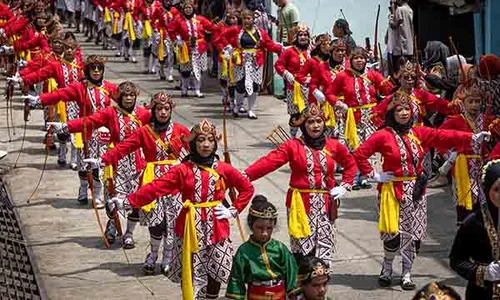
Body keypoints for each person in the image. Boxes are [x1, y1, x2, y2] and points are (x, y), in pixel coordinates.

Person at [353, 91, 491, 290]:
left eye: (406, 109)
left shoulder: (419, 133)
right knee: (392, 235)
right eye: (398, 109)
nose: (403, 113)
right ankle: (387, 267)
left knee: (414, 235)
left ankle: (407, 272)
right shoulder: (382, 135)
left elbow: (442, 135)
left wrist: (472, 137)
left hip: (417, 191)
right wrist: (374, 175)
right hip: (393, 190)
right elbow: (359, 154)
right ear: (391, 113)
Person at [115, 118, 255, 299]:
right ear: (193, 143)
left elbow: (247, 188)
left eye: (210, 140)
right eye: (201, 140)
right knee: (190, 267)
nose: (205, 145)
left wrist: (234, 210)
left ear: (215, 143)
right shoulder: (182, 169)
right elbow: (155, 187)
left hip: (217, 225)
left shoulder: (224, 168)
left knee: (217, 267)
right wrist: (128, 201)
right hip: (189, 225)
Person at [244, 104, 357, 267]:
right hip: (301, 205)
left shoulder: (333, 145)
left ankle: (320, 287)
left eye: (319, 121)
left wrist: (346, 185)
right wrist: (246, 175)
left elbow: (350, 163)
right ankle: (301, 288)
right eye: (311, 122)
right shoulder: (293, 146)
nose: (316, 125)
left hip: (326, 204)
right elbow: (270, 161)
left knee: (324, 248)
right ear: (304, 125)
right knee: (302, 250)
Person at [48, 81, 151, 249]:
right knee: (111, 198)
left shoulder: (144, 114)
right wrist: (66, 126)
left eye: (132, 95)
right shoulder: (111, 112)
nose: (129, 98)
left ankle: (129, 233)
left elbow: (161, 127)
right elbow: (89, 121)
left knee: (136, 199)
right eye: (125, 95)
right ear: (119, 97)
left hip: (137, 164)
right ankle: (112, 226)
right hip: (115, 162)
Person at [24, 55, 117, 207]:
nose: (96, 71)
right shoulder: (80, 88)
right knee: (83, 164)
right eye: (93, 68)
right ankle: (83, 188)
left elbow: (125, 99)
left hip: (103, 134)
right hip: (85, 130)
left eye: (99, 68)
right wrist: (40, 99)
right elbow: (60, 94)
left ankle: (98, 194)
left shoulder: (108, 88)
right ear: (87, 70)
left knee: (99, 165)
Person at [325, 47, 394, 189]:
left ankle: (366, 176)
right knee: (353, 147)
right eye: (356, 58)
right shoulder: (343, 76)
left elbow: (389, 91)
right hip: (351, 117)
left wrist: (381, 107)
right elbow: (330, 93)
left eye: (362, 58)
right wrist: (339, 104)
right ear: (350, 60)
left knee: (369, 147)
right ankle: (354, 177)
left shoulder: (373, 75)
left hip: (371, 117)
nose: (359, 61)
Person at [439, 84, 498, 225]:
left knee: (483, 202)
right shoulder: (455, 120)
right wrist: (449, 156)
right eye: (470, 101)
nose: (474, 105)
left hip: (481, 166)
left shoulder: (487, 120)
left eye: (477, 101)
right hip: (462, 168)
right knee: (464, 202)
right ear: (463, 103)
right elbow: (439, 138)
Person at [225, 195, 300, 299]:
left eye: (269, 228)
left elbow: (292, 273)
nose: (264, 233)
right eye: (260, 228)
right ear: (251, 225)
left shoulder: (280, 248)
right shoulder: (244, 251)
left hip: (279, 296)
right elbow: (236, 280)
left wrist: (294, 295)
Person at [214, 9, 282, 119]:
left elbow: (270, 44)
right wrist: (228, 47)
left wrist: (282, 49)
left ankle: (250, 109)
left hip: (255, 61)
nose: (246, 21)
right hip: (240, 61)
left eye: (248, 18)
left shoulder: (260, 32)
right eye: (244, 18)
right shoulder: (236, 30)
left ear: (253, 19)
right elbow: (220, 37)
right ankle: (238, 106)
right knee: (240, 85)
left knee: (255, 86)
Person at [449, 159, 500, 299]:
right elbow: (457, 260)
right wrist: (484, 273)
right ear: (487, 190)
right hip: (482, 293)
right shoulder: (473, 223)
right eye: (496, 189)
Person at [167, 0, 217, 98]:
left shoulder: (200, 19)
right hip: (185, 48)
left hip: (200, 48)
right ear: (183, 9)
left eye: (190, 8)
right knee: (185, 70)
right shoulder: (178, 20)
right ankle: (184, 89)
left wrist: (220, 25)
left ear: (193, 8)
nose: (188, 10)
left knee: (198, 70)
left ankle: (197, 90)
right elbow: (170, 30)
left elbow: (211, 27)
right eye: (186, 8)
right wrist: (177, 40)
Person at [274, 24, 311, 137]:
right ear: (296, 37)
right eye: (301, 35)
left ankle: (307, 135)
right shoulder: (289, 51)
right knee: (295, 114)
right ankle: (293, 136)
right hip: (293, 87)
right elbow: (278, 65)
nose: (303, 37)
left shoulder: (311, 52)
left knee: (309, 113)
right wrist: (286, 73)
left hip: (310, 87)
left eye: (305, 35)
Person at [389, 0, 413, 74]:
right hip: (408, 47)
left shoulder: (400, 9)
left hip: (400, 48)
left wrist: (391, 17)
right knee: (408, 71)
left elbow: (394, 25)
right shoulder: (410, 10)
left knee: (399, 73)